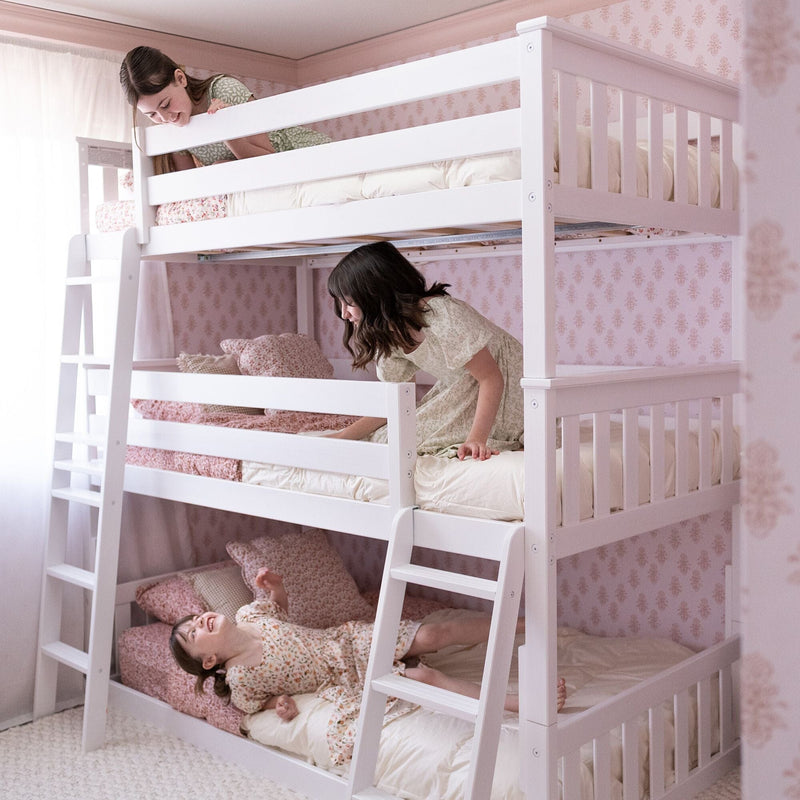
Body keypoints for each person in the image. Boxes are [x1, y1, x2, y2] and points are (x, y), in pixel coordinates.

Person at [171, 567, 566, 765]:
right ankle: (519, 703)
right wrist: (283, 705)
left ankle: (523, 624)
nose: (199, 622)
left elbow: (282, 610)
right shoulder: (241, 679)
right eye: (194, 633)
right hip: (344, 678)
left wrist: (276, 586)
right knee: (424, 677)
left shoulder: (249, 613)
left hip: (349, 641)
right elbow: (269, 701)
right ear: (209, 660)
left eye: (196, 618)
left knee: (433, 634)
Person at [327, 241, 524, 460]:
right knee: (387, 438)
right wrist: (344, 436)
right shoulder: (391, 334)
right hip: (467, 390)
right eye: (340, 304)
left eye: (350, 303)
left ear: (377, 295)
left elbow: (491, 378)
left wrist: (477, 439)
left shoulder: (442, 315)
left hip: (510, 391)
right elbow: (397, 401)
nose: (344, 314)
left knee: (408, 441)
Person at [119, 46, 330, 172]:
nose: (166, 117)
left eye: (165, 104)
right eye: (152, 114)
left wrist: (227, 129)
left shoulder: (222, 90)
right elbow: (193, 185)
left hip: (305, 155)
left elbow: (270, 162)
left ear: (180, 78)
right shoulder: (174, 129)